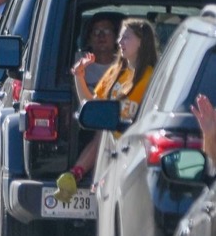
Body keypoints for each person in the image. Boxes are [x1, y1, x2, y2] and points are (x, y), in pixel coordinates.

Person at [56, 18, 160, 201]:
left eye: (126, 38)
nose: (120, 42)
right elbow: (92, 108)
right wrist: (79, 76)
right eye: (120, 37)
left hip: (135, 155)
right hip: (110, 151)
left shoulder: (153, 77)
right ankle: (74, 176)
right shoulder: (116, 72)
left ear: (142, 42)